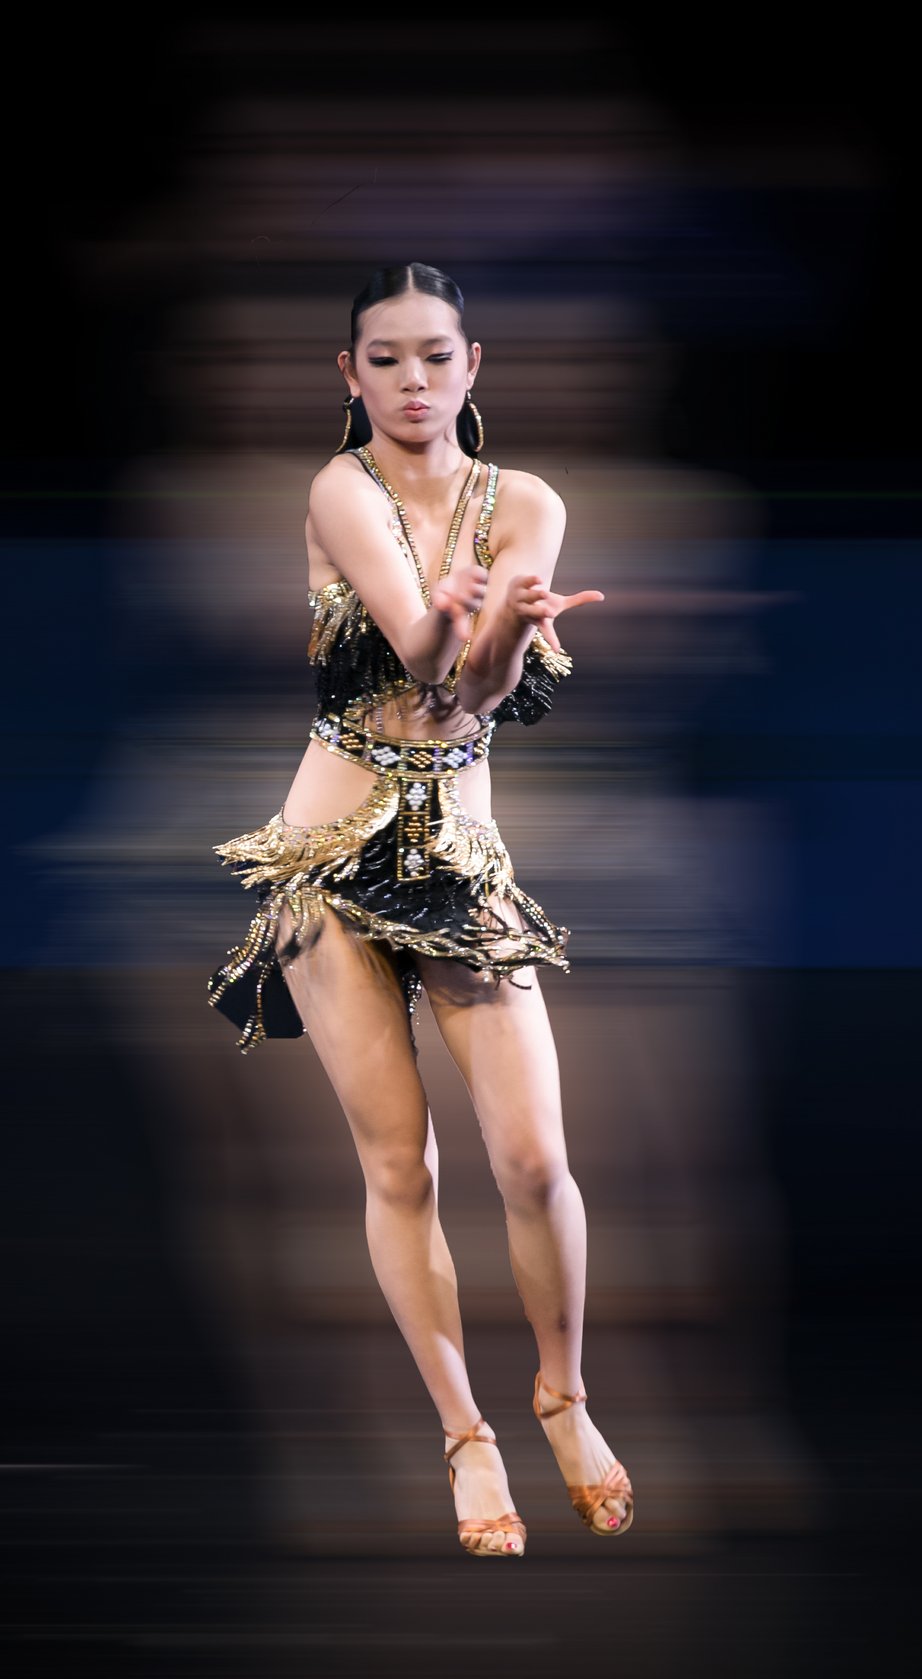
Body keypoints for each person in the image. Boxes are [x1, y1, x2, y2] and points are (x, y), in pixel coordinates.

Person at [206, 263, 632, 1557]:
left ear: (471, 365)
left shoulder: (528, 502)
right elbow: (415, 651)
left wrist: (505, 625)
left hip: (460, 859)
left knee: (533, 1159)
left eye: (435, 356)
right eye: (384, 358)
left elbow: (480, 696)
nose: (411, 381)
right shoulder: (341, 491)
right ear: (350, 374)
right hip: (329, 860)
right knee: (401, 1164)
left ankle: (562, 1397)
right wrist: (457, 612)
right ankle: (464, 1434)